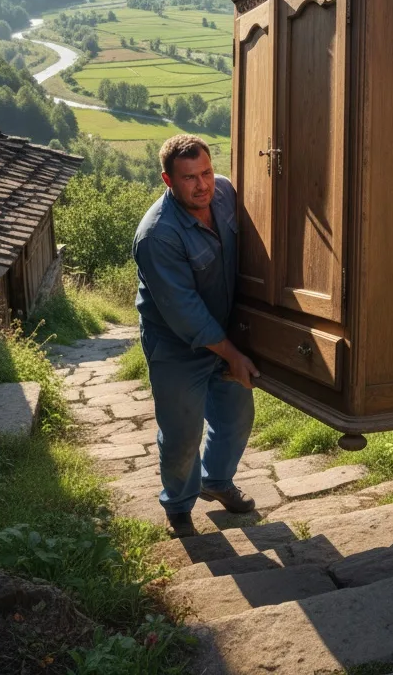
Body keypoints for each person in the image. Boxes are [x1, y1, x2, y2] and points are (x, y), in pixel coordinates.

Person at [133, 134, 260, 539]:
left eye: (206, 172)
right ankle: (178, 505)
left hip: (223, 333)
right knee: (182, 432)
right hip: (175, 345)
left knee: (237, 417)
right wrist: (232, 354)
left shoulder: (223, 192)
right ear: (168, 181)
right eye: (190, 178)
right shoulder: (157, 235)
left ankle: (217, 480)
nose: (203, 184)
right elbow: (185, 313)